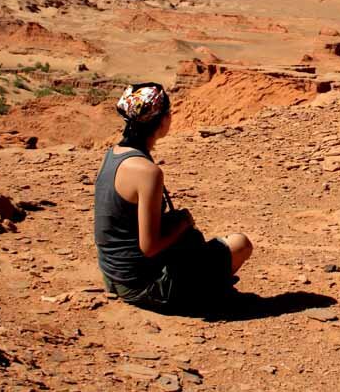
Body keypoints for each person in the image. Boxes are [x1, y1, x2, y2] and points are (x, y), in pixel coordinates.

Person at [94, 82, 253, 313]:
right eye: (168, 113)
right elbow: (149, 247)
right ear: (161, 120)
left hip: (113, 276)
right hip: (142, 286)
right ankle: (206, 294)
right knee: (240, 243)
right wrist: (183, 223)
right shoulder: (147, 172)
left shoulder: (113, 155)